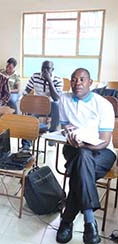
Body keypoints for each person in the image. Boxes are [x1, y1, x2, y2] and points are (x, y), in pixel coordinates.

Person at [56, 68, 116, 244]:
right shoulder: (64, 99)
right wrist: (70, 135)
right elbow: (66, 126)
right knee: (81, 158)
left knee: (80, 167)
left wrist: (84, 145)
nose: (77, 83)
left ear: (90, 83)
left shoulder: (103, 104)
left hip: (102, 152)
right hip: (73, 148)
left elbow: (104, 141)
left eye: (82, 80)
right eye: (74, 80)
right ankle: (90, 224)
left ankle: (67, 222)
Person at [22, 60, 63, 149]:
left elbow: (56, 97)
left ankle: (52, 133)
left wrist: (49, 80)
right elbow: (27, 90)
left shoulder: (58, 79)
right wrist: (25, 95)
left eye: (48, 68)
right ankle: (26, 144)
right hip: (37, 105)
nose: (45, 71)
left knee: (56, 105)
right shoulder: (35, 76)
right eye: (43, 68)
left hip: (51, 107)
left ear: (53, 69)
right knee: (30, 119)